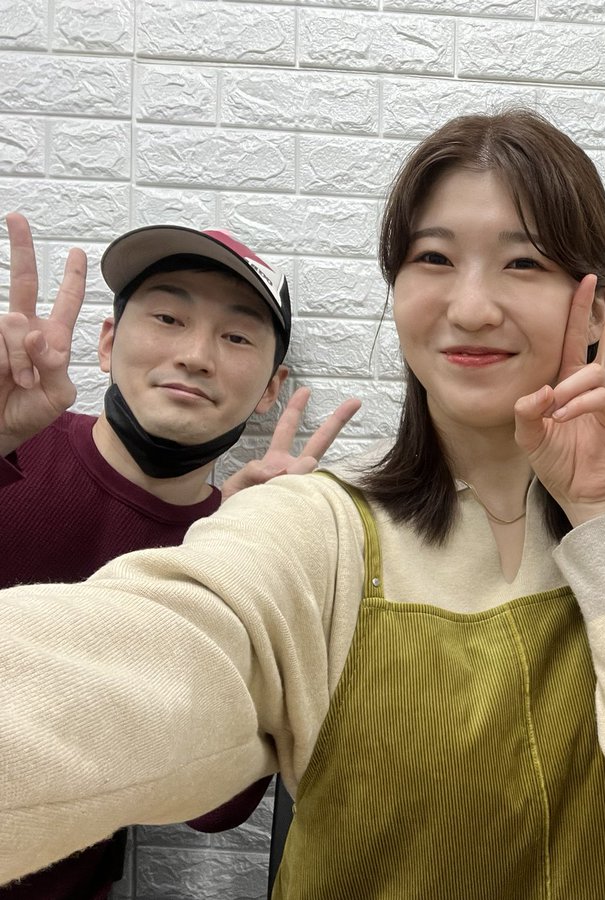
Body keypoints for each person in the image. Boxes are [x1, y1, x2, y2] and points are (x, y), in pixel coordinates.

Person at [0, 110, 605, 898]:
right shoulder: (315, 526)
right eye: (433, 258)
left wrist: (603, 513)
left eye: (523, 263)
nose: (471, 308)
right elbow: (133, 664)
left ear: (595, 309)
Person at [0, 213, 360, 899]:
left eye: (236, 336)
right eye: (168, 318)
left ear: (271, 389)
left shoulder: (231, 546)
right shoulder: (13, 444)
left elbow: (214, 811)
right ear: (108, 342)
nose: (196, 355)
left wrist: (265, 560)